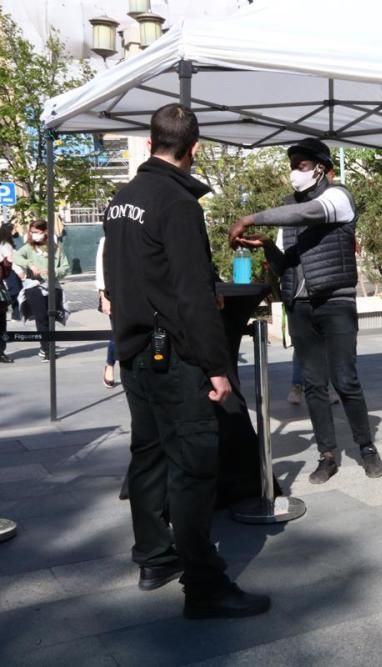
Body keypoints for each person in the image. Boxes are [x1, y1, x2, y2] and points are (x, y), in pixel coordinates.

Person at [104, 103, 270, 619]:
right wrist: (217, 369)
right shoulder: (178, 204)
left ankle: (154, 556)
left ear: (152, 140)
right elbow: (194, 295)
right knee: (194, 467)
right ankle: (204, 585)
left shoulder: (121, 199)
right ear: (194, 148)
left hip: (134, 353)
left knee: (149, 456)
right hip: (172, 356)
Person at [229, 137, 382, 482]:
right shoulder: (288, 209)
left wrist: (252, 218)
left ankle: (366, 447)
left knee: (345, 380)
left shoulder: (338, 197)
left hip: (334, 300)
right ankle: (327, 454)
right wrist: (269, 246)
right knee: (314, 383)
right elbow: (287, 263)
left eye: (301, 165)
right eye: (292, 165)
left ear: (322, 168)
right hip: (299, 305)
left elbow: (310, 213)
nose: (294, 173)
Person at [11, 220, 69, 361]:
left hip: (52, 286)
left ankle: (49, 345)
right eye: (32, 232)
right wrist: (30, 264)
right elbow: (15, 257)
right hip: (33, 286)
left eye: (37, 232)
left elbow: (65, 267)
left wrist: (52, 271)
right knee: (41, 317)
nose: (34, 235)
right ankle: (46, 349)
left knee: (51, 317)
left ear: (45, 232)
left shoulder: (55, 248)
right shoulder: (28, 248)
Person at [95, 236, 117, 387]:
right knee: (118, 334)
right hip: (114, 293)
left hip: (139, 293)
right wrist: (104, 296)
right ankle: (110, 365)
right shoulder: (107, 240)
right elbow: (100, 269)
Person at [0, 223, 14, 363]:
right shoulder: (5, 244)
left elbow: (7, 266)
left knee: (1, 323)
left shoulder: (4, 244)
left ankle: (1, 352)